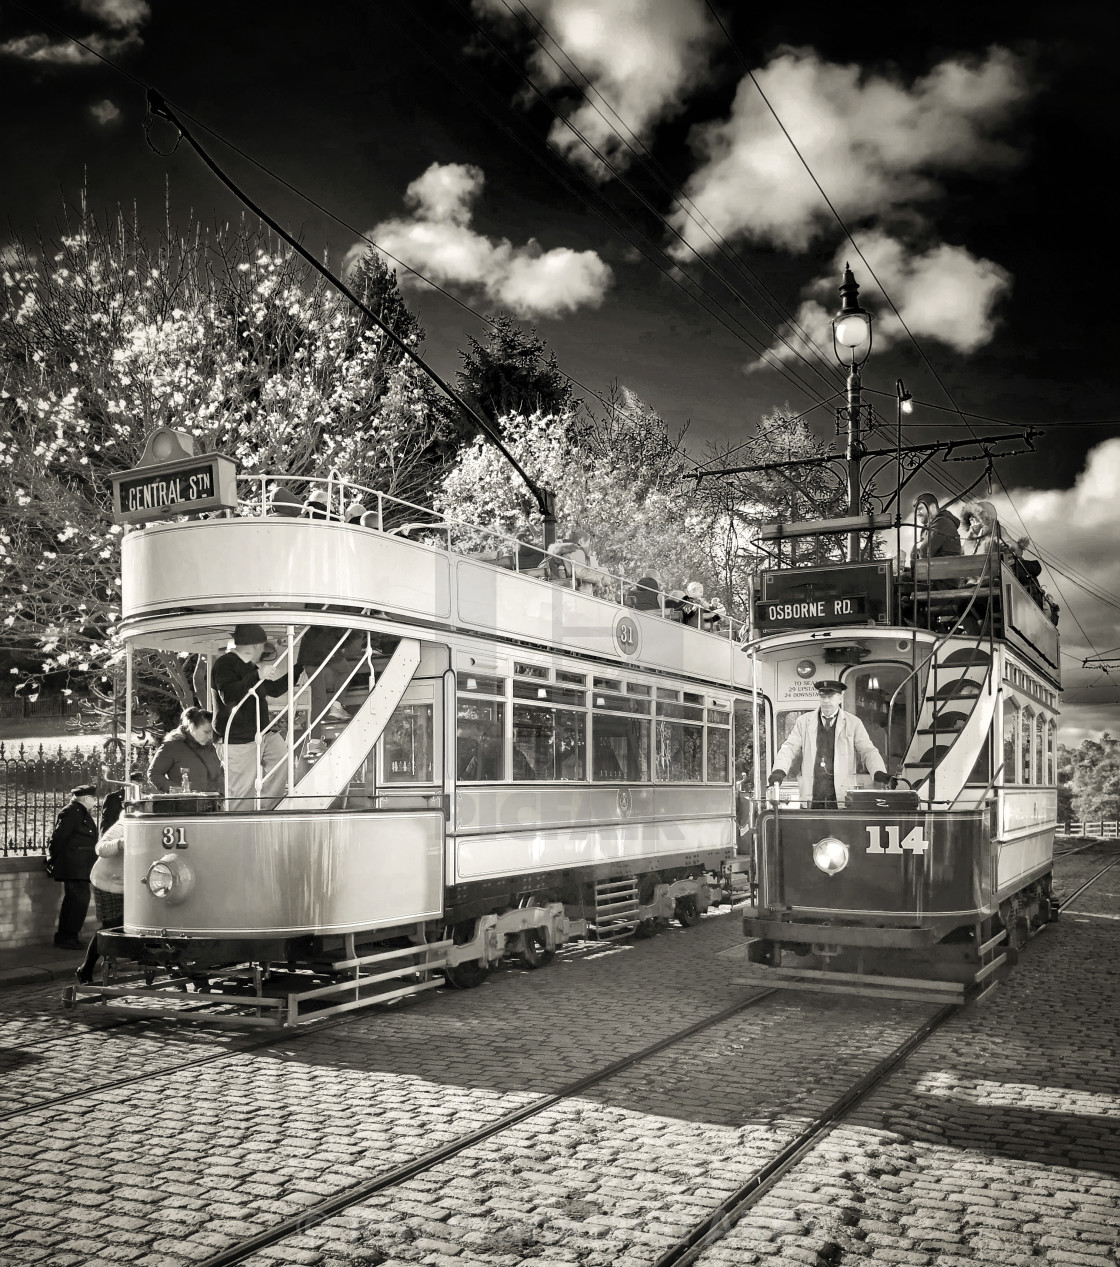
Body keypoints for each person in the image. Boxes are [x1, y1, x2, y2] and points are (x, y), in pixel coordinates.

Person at [767, 681, 889, 810]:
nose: (825, 701)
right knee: (809, 829)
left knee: (841, 830)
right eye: (822, 696)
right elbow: (789, 748)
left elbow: (868, 751)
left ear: (839, 698)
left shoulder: (853, 723)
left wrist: (878, 772)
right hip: (812, 794)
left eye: (830, 696)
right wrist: (779, 770)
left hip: (841, 796)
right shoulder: (803, 722)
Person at [211, 624, 290, 807]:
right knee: (241, 793)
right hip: (236, 738)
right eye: (262, 646)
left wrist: (299, 668)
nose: (263, 650)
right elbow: (229, 696)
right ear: (256, 645)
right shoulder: (225, 663)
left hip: (261, 734)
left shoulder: (250, 666)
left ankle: (265, 810)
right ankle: (240, 828)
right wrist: (256, 674)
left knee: (281, 759)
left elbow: (274, 690)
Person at [47, 785, 99, 950]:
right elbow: (59, 837)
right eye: (93, 798)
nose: (95, 801)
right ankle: (66, 937)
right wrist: (52, 859)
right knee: (76, 902)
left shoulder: (80, 812)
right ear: (85, 799)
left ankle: (71, 935)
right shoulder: (72, 812)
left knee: (78, 902)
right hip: (74, 866)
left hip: (81, 866)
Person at [75, 817, 126, 985]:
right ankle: (86, 969)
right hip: (107, 881)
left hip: (130, 884)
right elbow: (100, 848)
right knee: (111, 926)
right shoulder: (122, 825)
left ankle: (110, 963)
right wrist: (120, 843)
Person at [148, 708, 225, 793]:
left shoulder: (212, 748)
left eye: (212, 733)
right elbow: (154, 774)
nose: (210, 737)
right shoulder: (172, 747)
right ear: (192, 726)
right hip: (186, 803)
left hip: (214, 803)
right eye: (206, 732)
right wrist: (178, 790)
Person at [909, 492, 962, 565]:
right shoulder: (926, 528)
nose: (917, 513)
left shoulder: (942, 523)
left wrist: (918, 546)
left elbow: (924, 553)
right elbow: (914, 558)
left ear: (933, 507)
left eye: (920, 509)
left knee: (901, 576)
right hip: (934, 571)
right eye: (915, 510)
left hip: (944, 573)